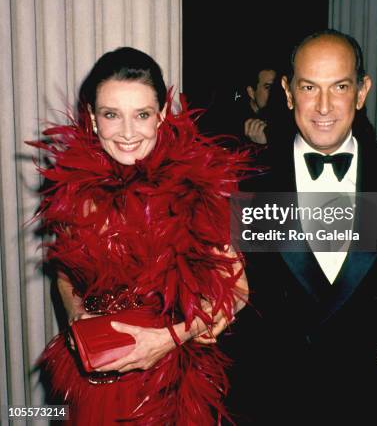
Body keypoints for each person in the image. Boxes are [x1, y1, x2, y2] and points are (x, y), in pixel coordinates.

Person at [229, 30, 377, 425]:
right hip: (278, 399)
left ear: (361, 92)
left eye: (339, 86)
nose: (323, 106)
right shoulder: (248, 182)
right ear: (289, 93)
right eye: (309, 87)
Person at [31, 47, 249, 425]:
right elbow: (65, 273)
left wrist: (168, 338)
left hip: (169, 386)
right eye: (112, 115)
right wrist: (74, 313)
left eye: (142, 115)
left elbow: (240, 292)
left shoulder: (194, 190)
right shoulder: (73, 192)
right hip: (94, 381)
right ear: (93, 120)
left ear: (162, 117)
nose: (128, 133)